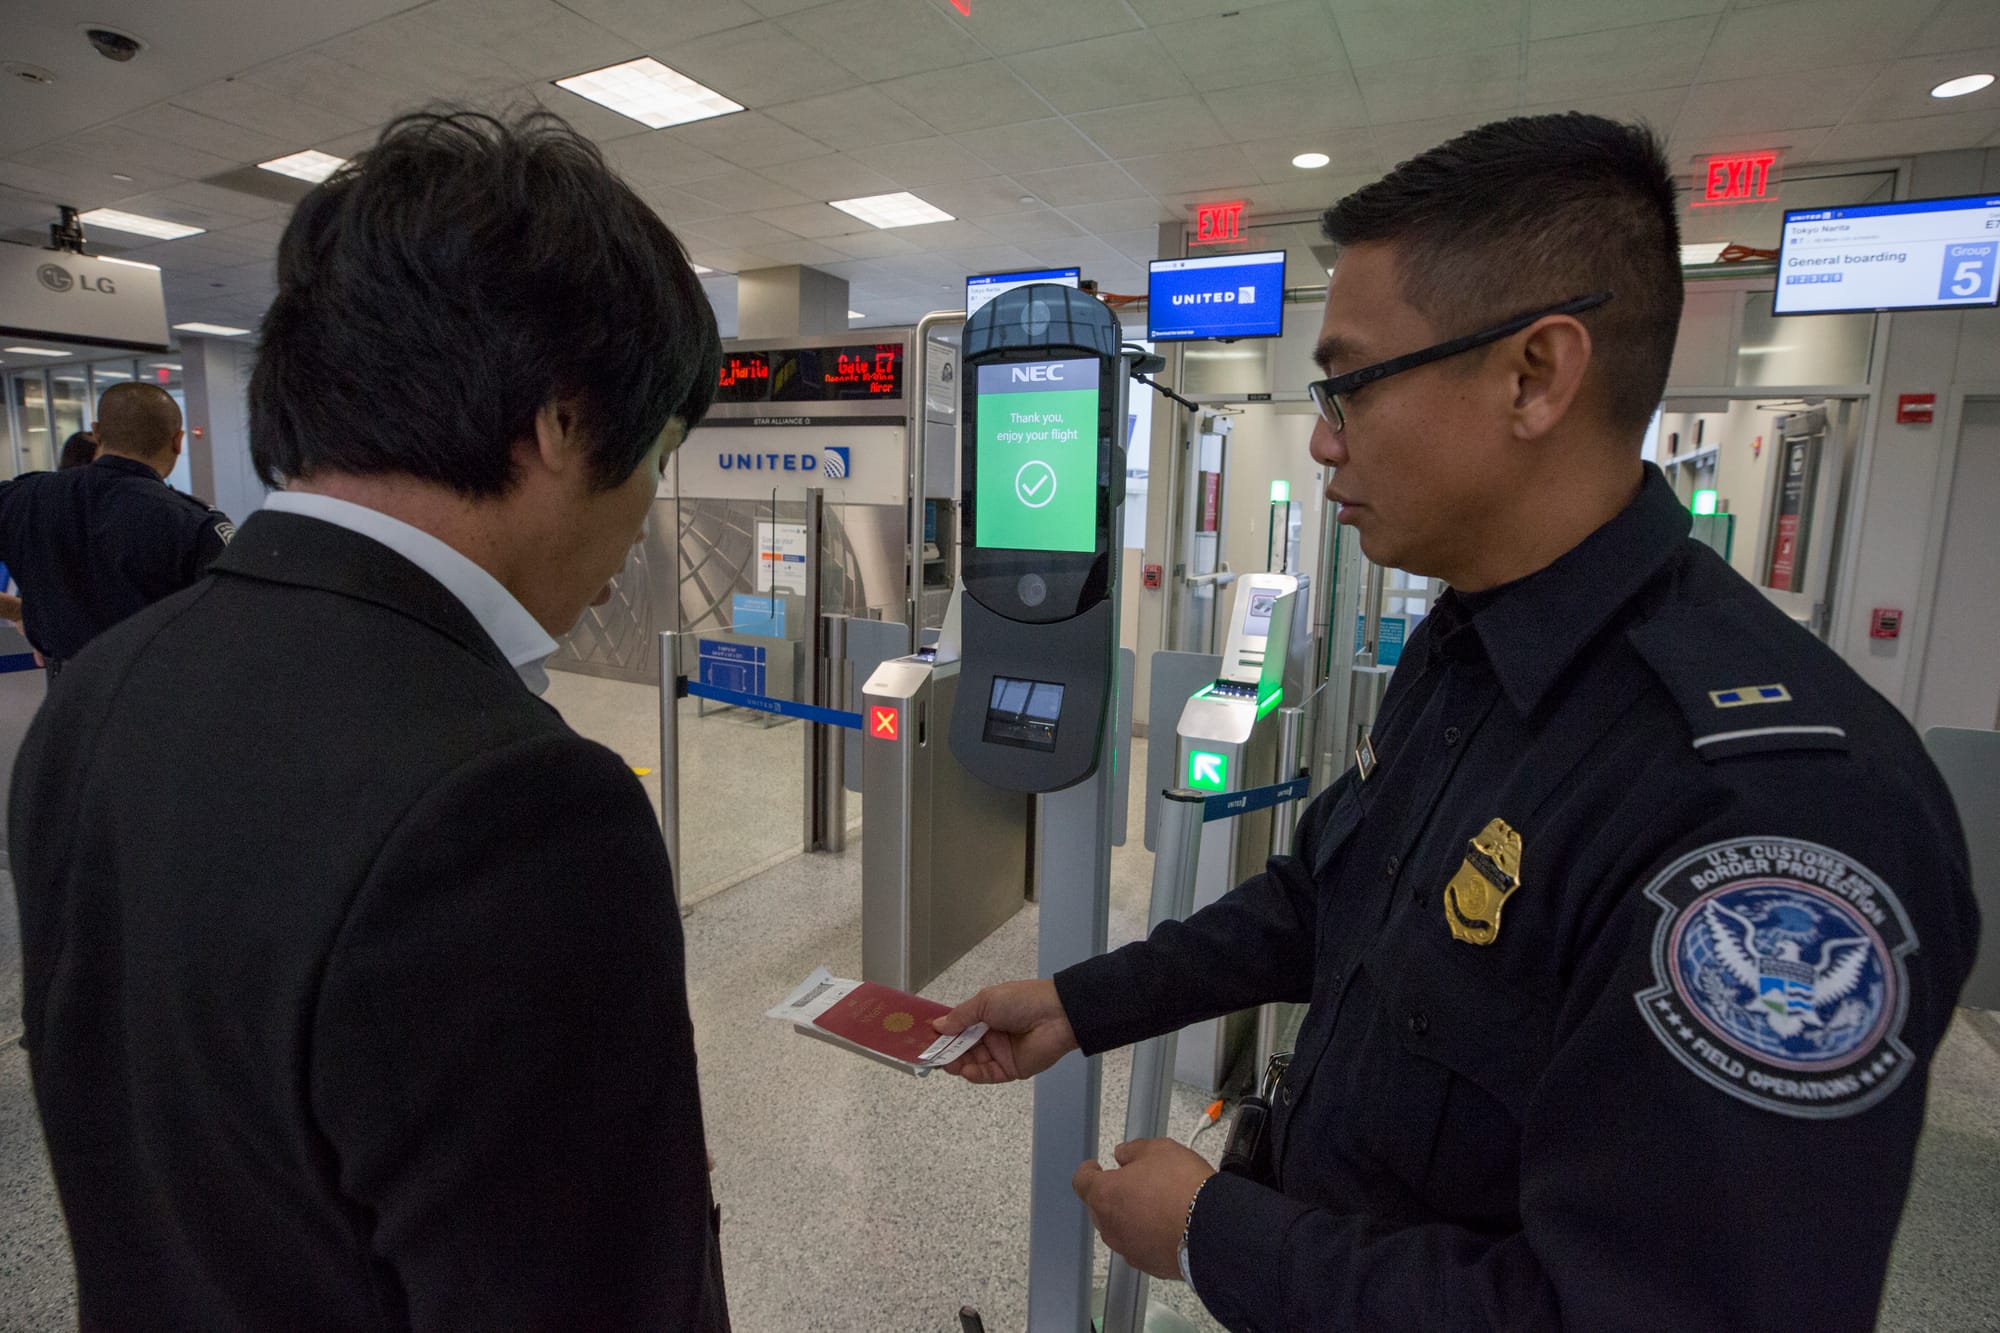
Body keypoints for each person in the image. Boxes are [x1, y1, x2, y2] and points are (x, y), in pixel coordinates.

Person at [934, 114, 1979, 1331]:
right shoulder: (1469, 643)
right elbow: (1330, 896)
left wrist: (1221, 1235)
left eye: (1349, 383)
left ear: (1534, 374)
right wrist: (1085, 999)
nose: (1323, 438)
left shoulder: (1775, 820)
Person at [11, 109, 729, 1329]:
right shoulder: (521, 806)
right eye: (655, 452)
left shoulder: (99, 692)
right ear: (561, 420)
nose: (646, 513)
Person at [0, 387, 229, 676]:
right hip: (159, 691)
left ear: (97, 433)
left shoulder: (24, 498)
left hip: (67, 698)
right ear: (178, 441)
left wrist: (21, 611)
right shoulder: (194, 524)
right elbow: (232, 625)